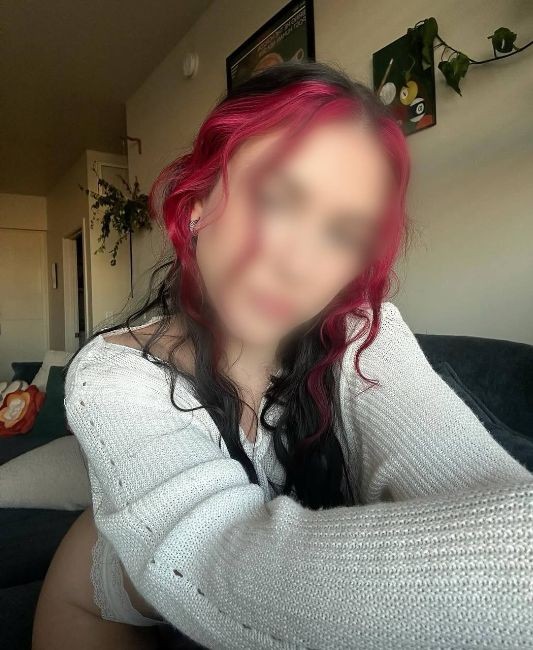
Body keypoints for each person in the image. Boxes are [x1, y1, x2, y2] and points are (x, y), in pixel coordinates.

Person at [33, 61, 533, 650]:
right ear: (197, 205)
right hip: (98, 599)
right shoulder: (112, 376)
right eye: (275, 198)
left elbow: (474, 483)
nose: (298, 263)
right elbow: (218, 559)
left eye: (342, 234)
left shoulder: (363, 338)